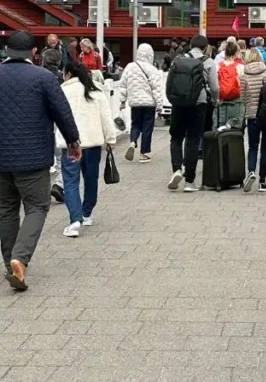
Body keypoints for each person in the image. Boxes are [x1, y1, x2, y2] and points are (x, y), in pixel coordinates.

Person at [0, 31, 81, 290]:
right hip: (32, 157)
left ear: (6, 50)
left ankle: (10, 263)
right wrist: (73, 142)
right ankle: (19, 260)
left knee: (5, 209)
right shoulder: (44, 77)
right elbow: (62, 113)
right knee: (37, 206)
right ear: (33, 53)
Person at [58, 61, 117, 238]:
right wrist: (110, 139)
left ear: (68, 74)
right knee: (91, 178)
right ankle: (87, 213)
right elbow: (106, 117)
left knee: (70, 181)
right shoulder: (96, 91)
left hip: (70, 143)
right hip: (93, 143)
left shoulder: (62, 91)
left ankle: (75, 220)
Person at [166, 34, 219, 193]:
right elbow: (215, 87)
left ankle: (176, 169)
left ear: (190, 45)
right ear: (205, 47)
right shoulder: (208, 62)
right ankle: (189, 181)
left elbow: (170, 80)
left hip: (179, 103)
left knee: (176, 137)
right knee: (193, 140)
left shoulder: (178, 59)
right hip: (198, 103)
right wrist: (215, 100)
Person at [241, 48, 266, 192]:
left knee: (252, 146)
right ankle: (262, 181)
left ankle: (251, 172)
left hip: (252, 116)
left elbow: (242, 97)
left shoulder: (243, 75)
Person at [119, 43, 164, 162]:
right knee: (147, 128)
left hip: (135, 102)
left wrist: (123, 100)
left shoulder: (130, 67)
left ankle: (133, 142)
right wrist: (159, 106)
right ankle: (144, 153)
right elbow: (157, 89)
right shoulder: (152, 70)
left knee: (135, 124)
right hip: (149, 103)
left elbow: (123, 84)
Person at [217, 39, 246, 129]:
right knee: (236, 127)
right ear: (236, 53)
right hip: (237, 101)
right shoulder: (240, 66)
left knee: (222, 127)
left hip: (222, 101)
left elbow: (215, 84)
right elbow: (244, 84)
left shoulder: (218, 66)